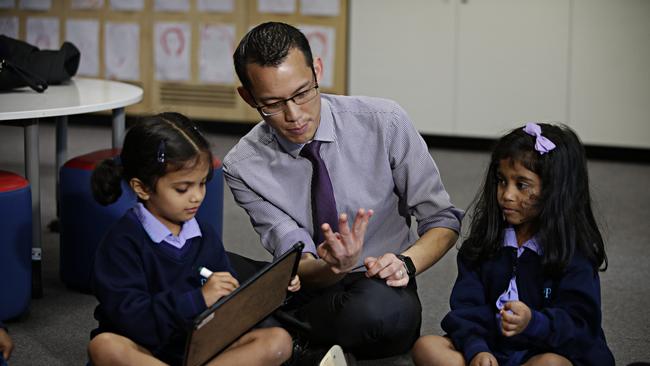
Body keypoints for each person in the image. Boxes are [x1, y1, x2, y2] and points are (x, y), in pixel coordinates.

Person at [224, 21, 463, 359]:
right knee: (205, 269)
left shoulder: (384, 121)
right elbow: (298, 262)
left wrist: (404, 264)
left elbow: (442, 219)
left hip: (376, 283)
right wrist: (332, 266)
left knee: (383, 314)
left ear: (318, 70)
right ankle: (309, 347)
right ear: (248, 97)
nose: (294, 115)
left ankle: (281, 341)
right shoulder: (243, 165)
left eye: (302, 93)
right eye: (272, 104)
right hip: (306, 284)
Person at [86, 112, 298, 366]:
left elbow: (227, 304)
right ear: (141, 188)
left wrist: (269, 290)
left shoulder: (203, 234)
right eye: (182, 189)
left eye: (202, 183)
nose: (197, 197)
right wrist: (197, 300)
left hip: (196, 345)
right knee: (104, 346)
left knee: (278, 341)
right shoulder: (122, 242)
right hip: (144, 347)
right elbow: (133, 320)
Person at [411, 123, 615, 366]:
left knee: (550, 364)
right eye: (501, 180)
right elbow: (466, 309)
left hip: (550, 349)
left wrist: (534, 323)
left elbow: (580, 325)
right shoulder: (484, 244)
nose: (506, 195)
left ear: (555, 191)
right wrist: (477, 349)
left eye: (522, 185)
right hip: (493, 348)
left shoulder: (574, 255)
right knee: (427, 347)